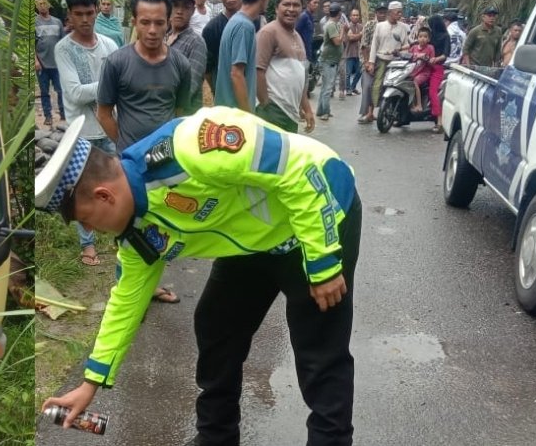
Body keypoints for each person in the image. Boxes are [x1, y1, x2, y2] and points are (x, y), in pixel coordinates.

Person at [38, 106, 362, 446]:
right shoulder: (137, 234)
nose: (89, 229)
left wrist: (323, 263)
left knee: (319, 349)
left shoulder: (193, 146)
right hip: (257, 240)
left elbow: (299, 170)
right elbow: (126, 301)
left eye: (85, 220)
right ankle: (216, 437)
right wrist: (91, 382)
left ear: (104, 195)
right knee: (216, 323)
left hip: (320, 209)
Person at [97, 0, 191, 303]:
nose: (152, 30)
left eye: (159, 23)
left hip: (167, 164)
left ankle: (150, 285)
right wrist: (128, 150)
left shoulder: (180, 65)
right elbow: (104, 112)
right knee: (127, 228)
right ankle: (126, 289)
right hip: (129, 165)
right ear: (134, 22)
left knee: (163, 226)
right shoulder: (117, 63)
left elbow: (180, 115)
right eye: (145, 22)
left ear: (169, 22)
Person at [54, 0, 120, 265]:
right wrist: (108, 85)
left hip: (110, 127)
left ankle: (121, 236)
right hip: (81, 132)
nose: (85, 19)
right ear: (69, 15)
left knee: (118, 182)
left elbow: (121, 87)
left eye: (89, 13)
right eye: (78, 14)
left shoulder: (110, 45)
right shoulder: (64, 49)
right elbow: (74, 93)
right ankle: (87, 245)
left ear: (97, 12)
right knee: (81, 189)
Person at [255, 0, 315, 134]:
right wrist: (265, 105)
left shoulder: (298, 37)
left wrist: (307, 109)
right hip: (273, 111)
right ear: (276, 8)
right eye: (286, 4)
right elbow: (257, 71)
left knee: (286, 156)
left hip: (291, 114)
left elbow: (300, 77)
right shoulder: (268, 32)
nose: (291, 9)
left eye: (296, 5)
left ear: (301, 8)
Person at [215, 0, 272, 112]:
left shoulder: (236, 21)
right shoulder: (244, 26)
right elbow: (236, 74)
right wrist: (248, 116)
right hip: (235, 118)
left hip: (228, 112)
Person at [167, 0, 208, 115]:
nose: (179, 11)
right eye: (175, 5)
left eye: (186, 6)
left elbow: (191, 86)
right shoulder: (162, 38)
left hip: (184, 118)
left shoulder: (196, 43)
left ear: (192, 10)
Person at [202, 0, 241, 94]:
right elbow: (208, 68)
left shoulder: (254, 22)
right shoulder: (212, 28)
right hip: (224, 91)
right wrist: (216, 91)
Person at [366, 1, 410, 113]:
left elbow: (406, 45)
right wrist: (371, 62)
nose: (400, 14)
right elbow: (374, 45)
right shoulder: (380, 26)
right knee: (377, 85)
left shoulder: (403, 27)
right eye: (397, 12)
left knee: (396, 86)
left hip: (396, 62)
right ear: (390, 13)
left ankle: (394, 110)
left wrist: (400, 52)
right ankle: (373, 110)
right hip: (381, 60)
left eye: (401, 12)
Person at [35, 0, 66, 127]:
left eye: (44, 3)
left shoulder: (57, 22)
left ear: (49, 5)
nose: (42, 6)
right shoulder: (35, 23)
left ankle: (64, 114)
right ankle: (48, 116)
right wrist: (36, 61)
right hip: (42, 64)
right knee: (44, 92)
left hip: (57, 64)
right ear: (36, 6)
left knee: (61, 90)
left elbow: (63, 42)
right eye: (39, 4)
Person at [357, 2, 389, 124]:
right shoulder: (370, 25)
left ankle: (371, 113)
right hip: (368, 60)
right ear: (376, 13)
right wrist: (367, 62)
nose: (382, 15)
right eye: (380, 13)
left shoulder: (388, 27)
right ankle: (365, 113)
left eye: (384, 13)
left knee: (378, 87)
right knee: (367, 86)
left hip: (382, 61)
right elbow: (364, 45)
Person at [316, 3, 343, 121]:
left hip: (330, 59)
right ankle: (325, 112)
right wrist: (343, 31)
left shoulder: (333, 24)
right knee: (328, 88)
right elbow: (337, 42)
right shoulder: (332, 25)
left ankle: (320, 110)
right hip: (329, 61)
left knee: (325, 87)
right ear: (339, 13)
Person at [426, 14, 450, 132]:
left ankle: (439, 121)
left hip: (437, 67)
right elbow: (418, 44)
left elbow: (445, 54)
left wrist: (436, 59)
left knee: (432, 92)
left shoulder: (445, 37)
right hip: (425, 65)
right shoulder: (429, 36)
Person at [408, 26, 435, 113]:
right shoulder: (414, 47)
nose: (422, 39)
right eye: (420, 36)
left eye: (425, 37)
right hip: (413, 70)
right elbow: (408, 56)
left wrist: (426, 58)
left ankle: (419, 105)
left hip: (424, 72)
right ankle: (410, 104)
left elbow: (432, 61)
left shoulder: (430, 48)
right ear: (417, 38)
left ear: (429, 39)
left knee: (415, 81)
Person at [343, 8, 363, 96]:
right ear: (350, 17)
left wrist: (356, 36)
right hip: (349, 53)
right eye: (354, 15)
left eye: (357, 15)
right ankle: (348, 89)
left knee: (360, 72)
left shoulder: (361, 26)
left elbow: (363, 39)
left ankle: (353, 87)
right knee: (348, 73)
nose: (355, 17)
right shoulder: (347, 26)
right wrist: (360, 35)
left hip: (359, 53)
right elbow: (350, 38)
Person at [296, 0, 319, 68]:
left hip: (308, 54)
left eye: (318, 3)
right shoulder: (303, 17)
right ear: (308, 3)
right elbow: (295, 33)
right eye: (314, 2)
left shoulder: (310, 17)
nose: (317, 5)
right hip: (302, 56)